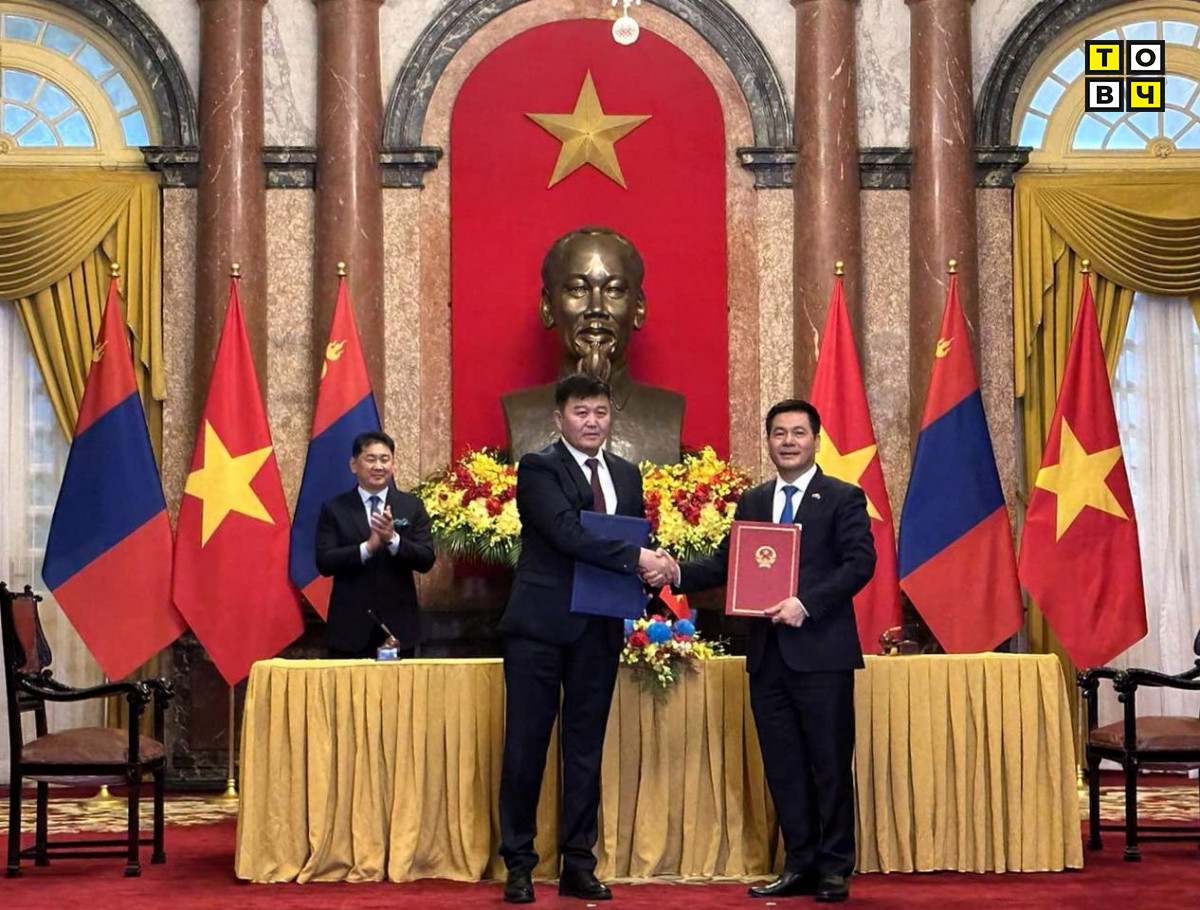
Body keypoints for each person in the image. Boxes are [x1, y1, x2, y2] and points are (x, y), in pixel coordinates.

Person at [645, 399, 875, 903]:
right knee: (783, 765)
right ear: (768, 441)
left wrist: (805, 604)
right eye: (779, 433)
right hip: (768, 658)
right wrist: (674, 571)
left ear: (816, 440)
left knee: (829, 765)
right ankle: (799, 864)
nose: (788, 441)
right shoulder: (754, 501)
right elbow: (727, 564)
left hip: (822, 657)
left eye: (798, 432)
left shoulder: (843, 497)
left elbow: (860, 564)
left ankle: (835, 869)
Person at [498, 373, 674, 904]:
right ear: (559, 419)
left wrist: (656, 564)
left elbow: (633, 534)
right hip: (539, 629)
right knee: (526, 747)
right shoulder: (539, 468)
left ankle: (579, 863)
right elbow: (565, 532)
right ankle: (519, 863)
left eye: (600, 412)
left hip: (599, 627)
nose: (592, 422)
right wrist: (637, 557)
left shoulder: (626, 472)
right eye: (581, 412)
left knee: (585, 749)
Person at [501, 226, 685, 465]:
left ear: (638, 308)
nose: (596, 308)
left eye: (614, 290)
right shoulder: (521, 413)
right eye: (578, 289)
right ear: (548, 307)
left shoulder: (667, 412)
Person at [315, 430, 436, 658]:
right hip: (349, 629)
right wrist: (367, 548)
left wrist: (393, 540)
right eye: (371, 459)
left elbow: (426, 559)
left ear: (393, 464)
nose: (378, 466)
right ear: (354, 465)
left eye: (384, 459)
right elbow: (324, 561)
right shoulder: (335, 508)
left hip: (399, 628)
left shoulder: (411, 505)